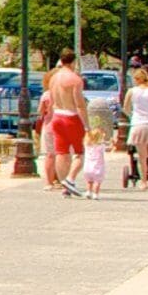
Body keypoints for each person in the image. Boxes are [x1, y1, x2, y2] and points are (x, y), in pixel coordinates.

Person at [41, 55, 88, 194]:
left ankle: (64, 183)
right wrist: (86, 125)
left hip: (57, 116)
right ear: (73, 62)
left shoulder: (54, 78)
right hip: (71, 116)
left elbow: (51, 101)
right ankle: (70, 179)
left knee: (61, 152)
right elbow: (80, 105)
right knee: (79, 152)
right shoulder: (75, 80)